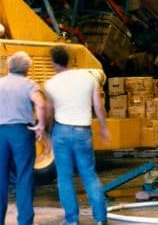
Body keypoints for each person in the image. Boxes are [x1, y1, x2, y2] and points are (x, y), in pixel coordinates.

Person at [44, 45, 110, 225]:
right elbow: (98, 106)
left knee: (64, 177)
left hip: (62, 132)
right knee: (89, 175)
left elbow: (48, 111)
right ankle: (100, 218)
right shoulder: (88, 78)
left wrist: (47, 132)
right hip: (83, 132)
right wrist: (104, 127)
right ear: (70, 60)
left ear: (54, 64)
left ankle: (72, 220)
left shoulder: (51, 83)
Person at [0, 51, 46, 225]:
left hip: (0, 133)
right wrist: (40, 125)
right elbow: (40, 103)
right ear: (27, 69)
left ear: (9, 67)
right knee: (24, 176)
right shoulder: (29, 84)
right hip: (21, 132)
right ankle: (25, 221)